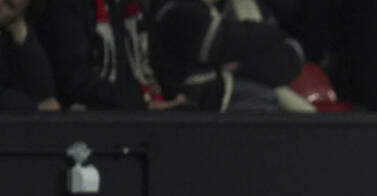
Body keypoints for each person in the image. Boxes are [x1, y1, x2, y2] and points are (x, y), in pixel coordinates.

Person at [150, 0, 305, 111]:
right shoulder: (175, 9)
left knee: (268, 101)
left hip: (235, 95)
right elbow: (212, 42)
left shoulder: (247, 6)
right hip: (199, 111)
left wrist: (239, 67)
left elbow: (292, 58)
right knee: (267, 103)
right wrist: (274, 39)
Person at [38, 0, 170, 109]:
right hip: (92, 120)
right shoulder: (67, 7)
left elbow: (158, 65)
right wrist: (139, 104)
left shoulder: (137, 11)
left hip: (145, 112)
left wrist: (179, 95)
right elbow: (75, 79)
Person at [0, 0, 60, 111]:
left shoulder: (8, 37)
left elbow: (44, 94)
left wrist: (22, 37)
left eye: (8, 5)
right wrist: (33, 107)